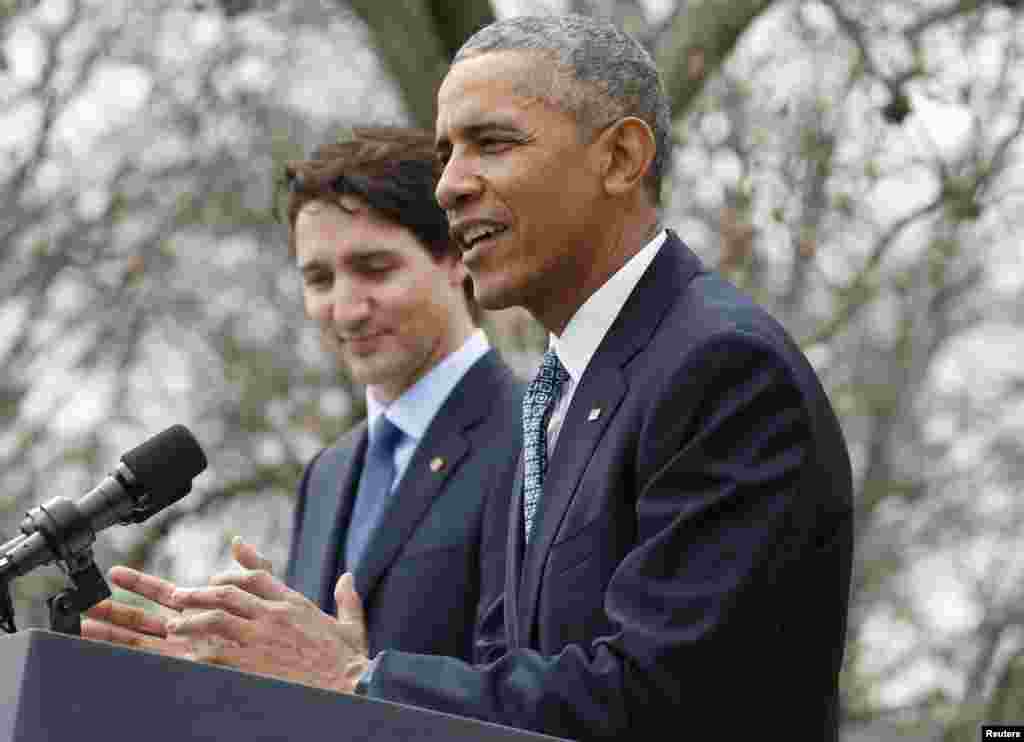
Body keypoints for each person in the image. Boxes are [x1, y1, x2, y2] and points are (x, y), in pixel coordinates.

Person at [92, 15, 854, 741]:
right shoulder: (562, 395)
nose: (450, 184)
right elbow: (507, 685)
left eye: (490, 143)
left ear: (620, 158)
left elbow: (659, 701)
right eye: (447, 151)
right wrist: (289, 687)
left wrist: (357, 679)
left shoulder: (721, 369)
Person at [82, 126, 523, 670]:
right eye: (318, 279)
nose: (346, 309)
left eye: (375, 269)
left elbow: (530, 695)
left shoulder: (537, 436)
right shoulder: (327, 474)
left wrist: (355, 679)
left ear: (455, 257)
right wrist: (236, 672)